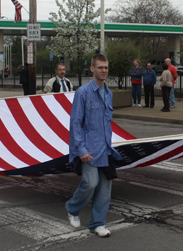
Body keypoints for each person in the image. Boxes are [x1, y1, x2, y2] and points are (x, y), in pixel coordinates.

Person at [66, 54, 123, 237]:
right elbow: (75, 123)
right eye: (100, 67)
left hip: (105, 149)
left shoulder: (109, 93)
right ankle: (72, 208)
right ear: (92, 69)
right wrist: (80, 149)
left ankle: (97, 224)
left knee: (105, 190)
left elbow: (107, 122)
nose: (104, 70)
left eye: (106, 67)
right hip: (88, 149)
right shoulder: (82, 93)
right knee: (90, 183)